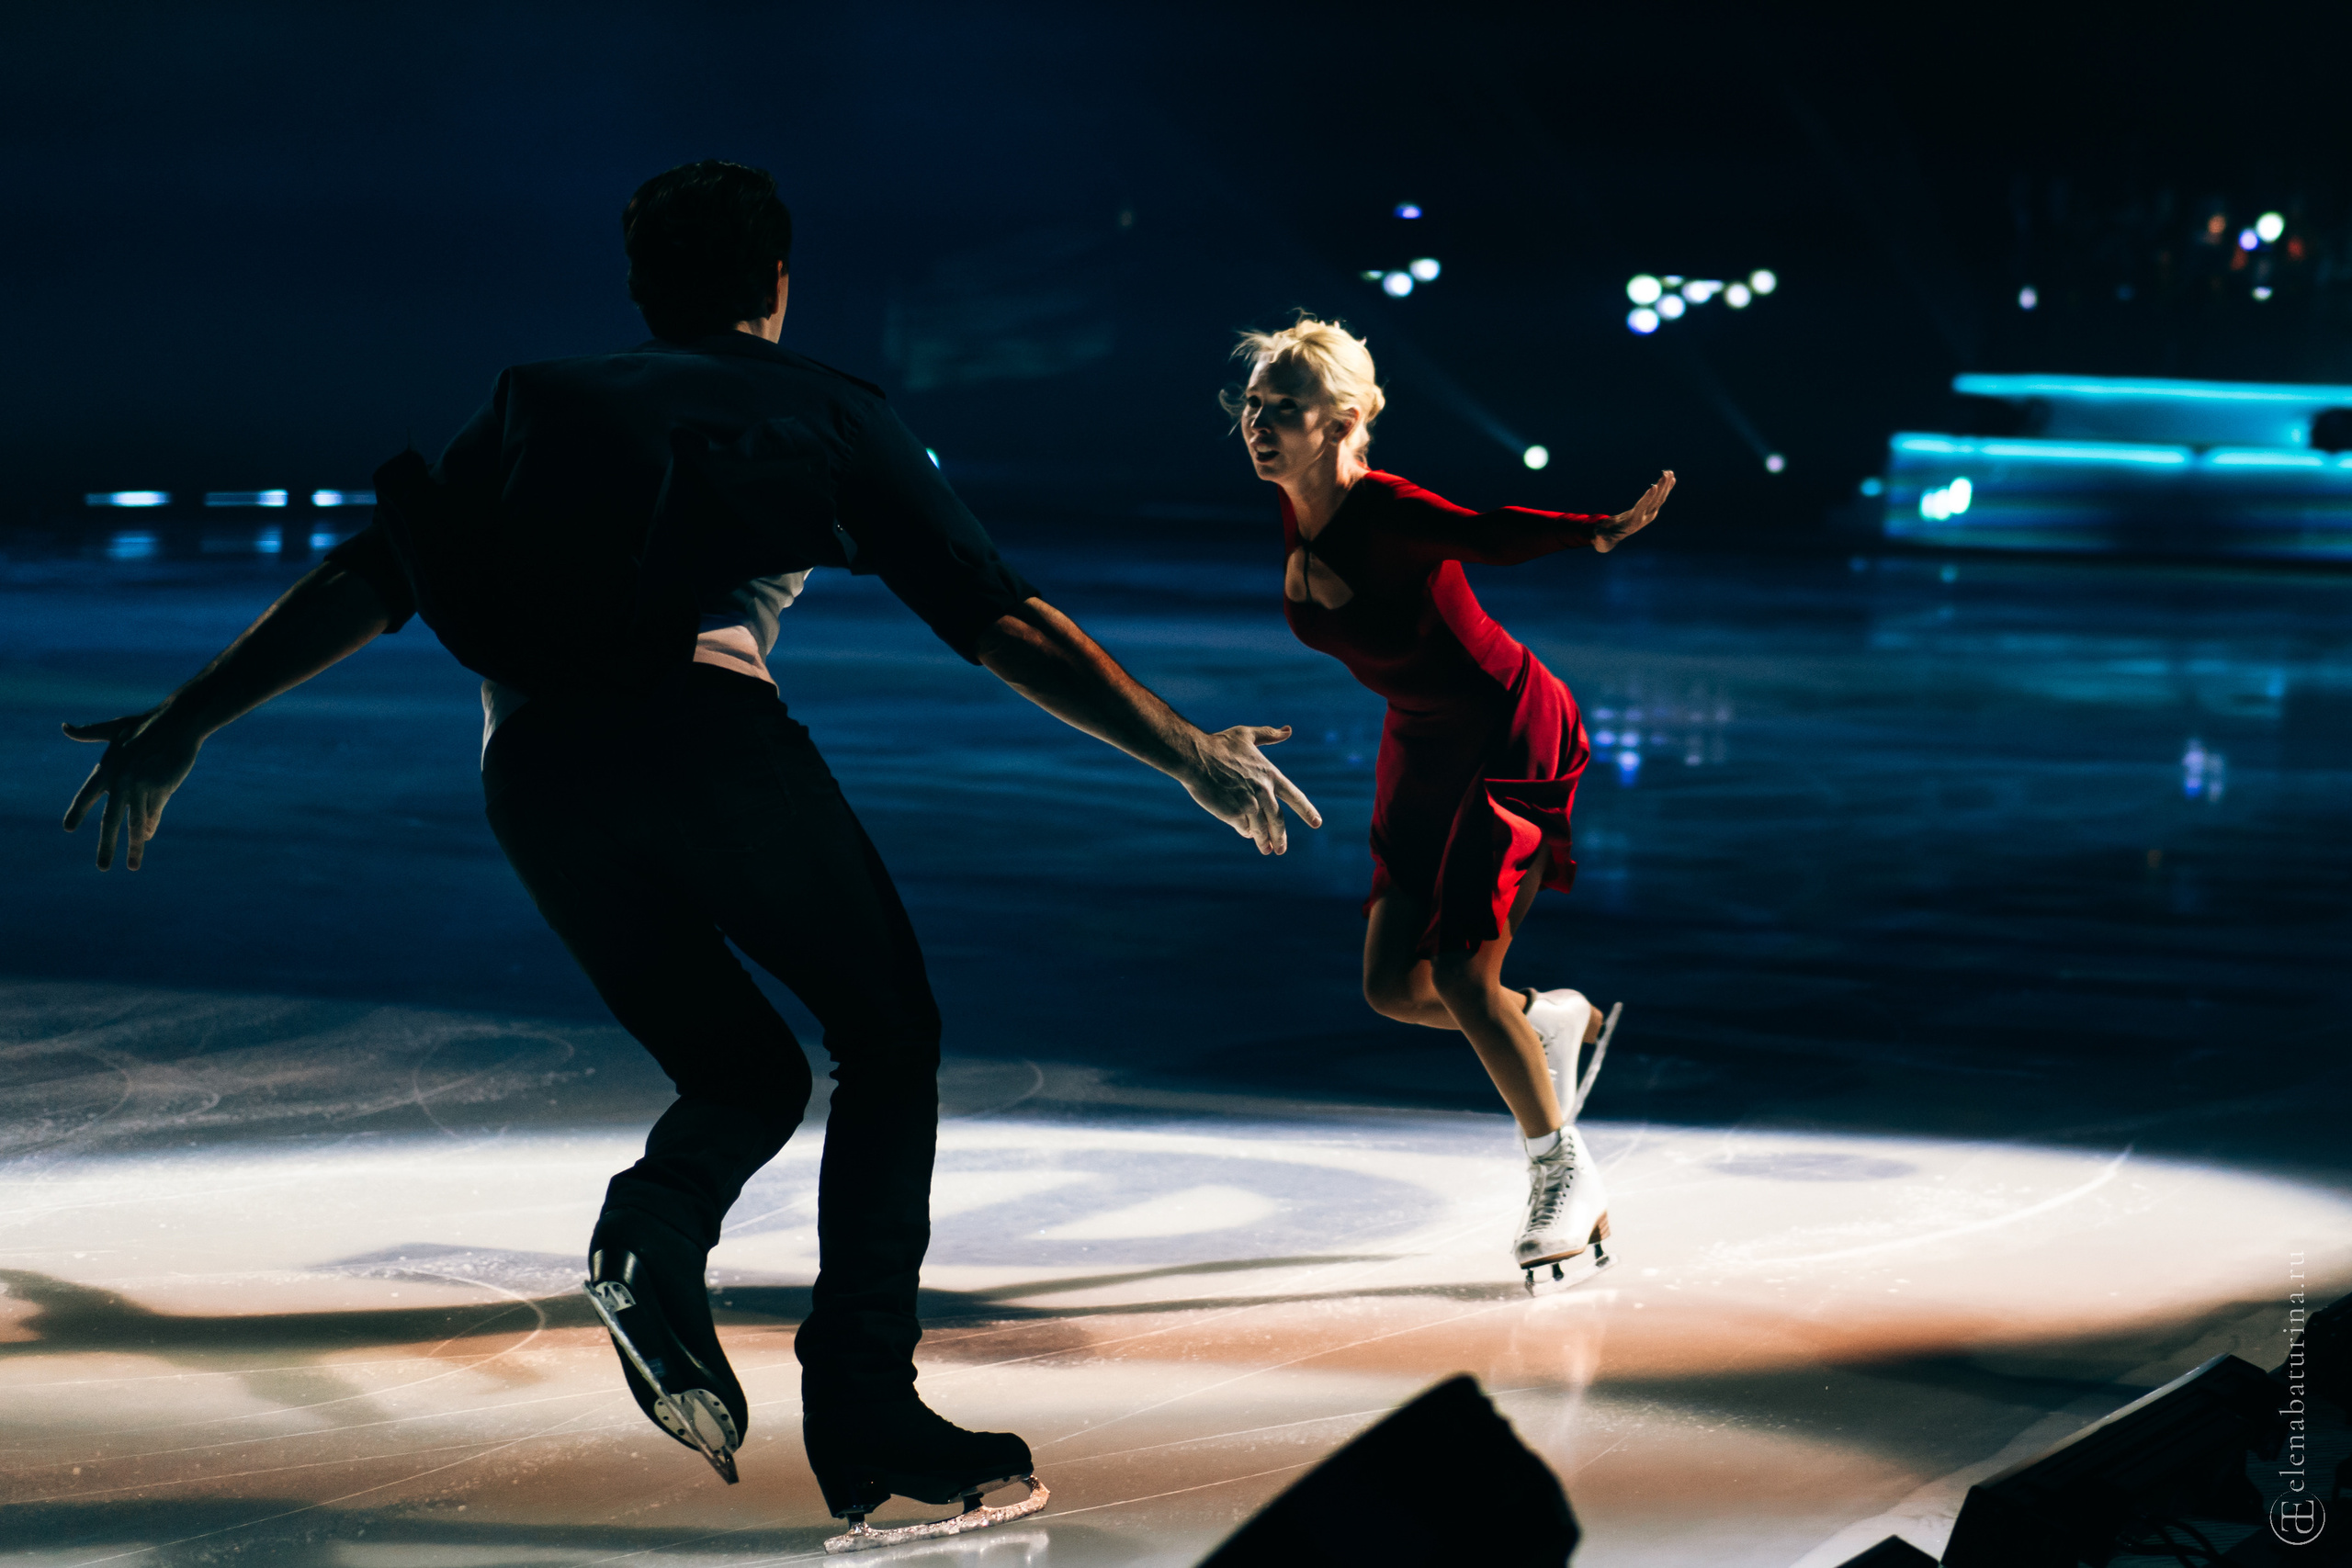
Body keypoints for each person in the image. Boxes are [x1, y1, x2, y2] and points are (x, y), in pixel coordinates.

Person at [59, 160, 1319, 1544]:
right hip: (704, 743)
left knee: (746, 1070)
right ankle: (865, 1409)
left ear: (642, 292)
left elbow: (377, 573)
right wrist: (1186, 747)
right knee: (887, 1039)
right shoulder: (826, 405)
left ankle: (658, 1222)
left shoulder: (543, 394)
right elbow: (996, 616)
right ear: (779, 283)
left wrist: (188, 721)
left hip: (534, 777)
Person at [1226, 316, 1671, 1287]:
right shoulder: (1294, 506)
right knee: (1394, 989)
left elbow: (1482, 532)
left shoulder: (1379, 506)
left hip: (1507, 730)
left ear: (1343, 420)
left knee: (1466, 979)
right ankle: (1545, 1020)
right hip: (1420, 741)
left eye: (1284, 411)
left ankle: (1564, 1179)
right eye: (1253, 407)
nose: (1259, 425)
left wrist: (1589, 529)